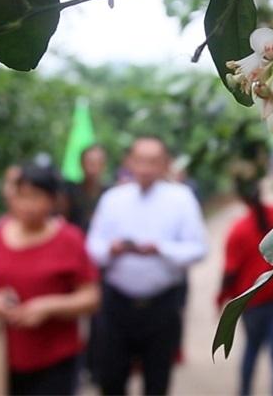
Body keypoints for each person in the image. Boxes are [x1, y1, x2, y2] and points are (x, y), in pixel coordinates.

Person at [86, 137, 208, 396]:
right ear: (129, 162)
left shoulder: (181, 198)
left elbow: (198, 249)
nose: (145, 168)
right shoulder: (112, 199)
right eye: (139, 160)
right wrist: (112, 249)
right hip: (116, 304)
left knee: (157, 379)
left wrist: (161, 248)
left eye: (153, 161)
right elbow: (92, 247)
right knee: (111, 378)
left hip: (161, 305)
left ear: (165, 164)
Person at [0, 163, 100, 396]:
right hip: (0, 357)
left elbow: (91, 297)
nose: (27, 205)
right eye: (22, 196)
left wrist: (49, 307)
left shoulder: (69, 239)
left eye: (36, 197)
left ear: (53, 200)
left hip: (56, 359)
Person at [218, 180, 273, 396]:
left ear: (241, 198)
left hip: (252, 303)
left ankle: (244, 392)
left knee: (251, 350)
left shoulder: (238, 229)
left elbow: (230, 273)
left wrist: (221, 298)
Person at [62, 144, 109, 231]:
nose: (92, 168)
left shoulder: (110, 194)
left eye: (97, 163)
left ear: (104, 166)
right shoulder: (69, 191)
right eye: (89, 162)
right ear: (81, 164)